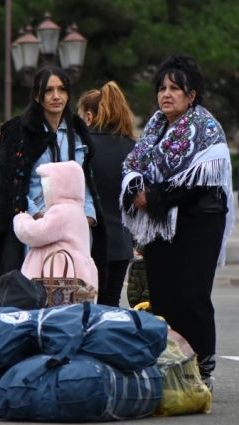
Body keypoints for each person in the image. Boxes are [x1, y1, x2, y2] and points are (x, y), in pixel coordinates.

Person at [121, 55, 235, 390]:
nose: (166, 94)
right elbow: (135, 164)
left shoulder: (206, 128)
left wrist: (152, 197)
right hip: (160, 225)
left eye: (175, 88)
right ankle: (174, 365)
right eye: (162, 88)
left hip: (198, 222)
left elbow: (201, 180)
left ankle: (204, 368)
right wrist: (137, 191)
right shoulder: (155, 127)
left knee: (192, 296)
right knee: (164, 296)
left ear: (192, 94)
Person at [0, 66, 106, 278]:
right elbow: (8, 182)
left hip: (74, 232)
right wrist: (36, 217)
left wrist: (86, 218)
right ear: (38, 95)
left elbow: (85, 182)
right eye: (49, 90)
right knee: (32, 293)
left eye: (61, 89)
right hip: (33, 229)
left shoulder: (77, 133)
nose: (56, 96)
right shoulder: (18, 131)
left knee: (72, 296)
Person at [77, 81, 136, 306]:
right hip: (121, 243)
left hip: (87, 241)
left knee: (83, 306)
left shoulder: (82, 147)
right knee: (110, 304)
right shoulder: (132, 147)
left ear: (90, 116)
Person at [14, 161, 98, 290]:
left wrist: (21, 219)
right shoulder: (78, 211)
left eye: (47, 186)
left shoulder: (61, 211)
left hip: (57, 280)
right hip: (77, 277)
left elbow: (37, 233)